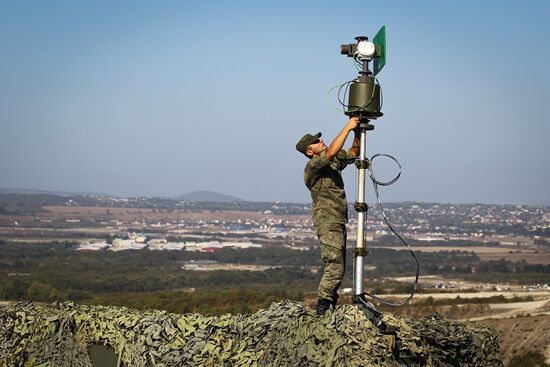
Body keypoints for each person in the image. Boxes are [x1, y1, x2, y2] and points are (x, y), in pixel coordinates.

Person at [295, 116, 360, 315]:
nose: (320, 141)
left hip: (337, 220)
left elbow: (355, 152)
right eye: (316, 142)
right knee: (335, 265)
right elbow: (331, 152)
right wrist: (348, 126)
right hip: (327, 221)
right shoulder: (313, 167)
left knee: (339, 265)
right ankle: (323, 306)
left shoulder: (331, 164)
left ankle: (330, 301)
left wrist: (358, 130)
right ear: (309, 151)